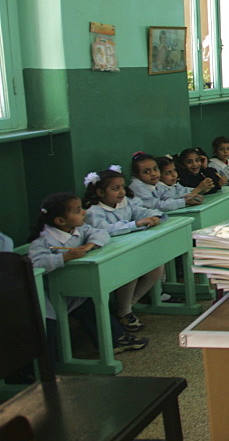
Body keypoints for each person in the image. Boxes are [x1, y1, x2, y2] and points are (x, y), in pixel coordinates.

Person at [29, 193, 147, 354]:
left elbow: (101, 234)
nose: (84, 212)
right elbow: (35, 263)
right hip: (50, 293)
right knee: (53, 322)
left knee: (91, 303)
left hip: (74, 287)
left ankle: (114, 340)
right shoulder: (44, 240)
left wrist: (89, 245)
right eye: (78, 211)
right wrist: (63, 257)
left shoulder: (78, 228)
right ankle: (48, 365)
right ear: (60, 221)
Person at [82, 167, 165, 333]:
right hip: (107, 257)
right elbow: (107, 229)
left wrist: (155, 216)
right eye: (115, 188)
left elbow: (140, 211)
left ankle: (127, 306)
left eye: (122, 187)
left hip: (126, 250)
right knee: (130, 272)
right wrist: (136, 224)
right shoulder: (94, 211)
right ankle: (125, 311)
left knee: (156, 267)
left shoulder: (125, 203)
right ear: (100, 192)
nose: (121, 192)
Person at [129, 151, 203, 211]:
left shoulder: (155, 183)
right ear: (136, 175)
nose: (153, 174)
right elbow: (156, 206)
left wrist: (187, 196)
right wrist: (184, 201)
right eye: (146, 172)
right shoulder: (137, 185)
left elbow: (168, 198)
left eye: (155, 169)